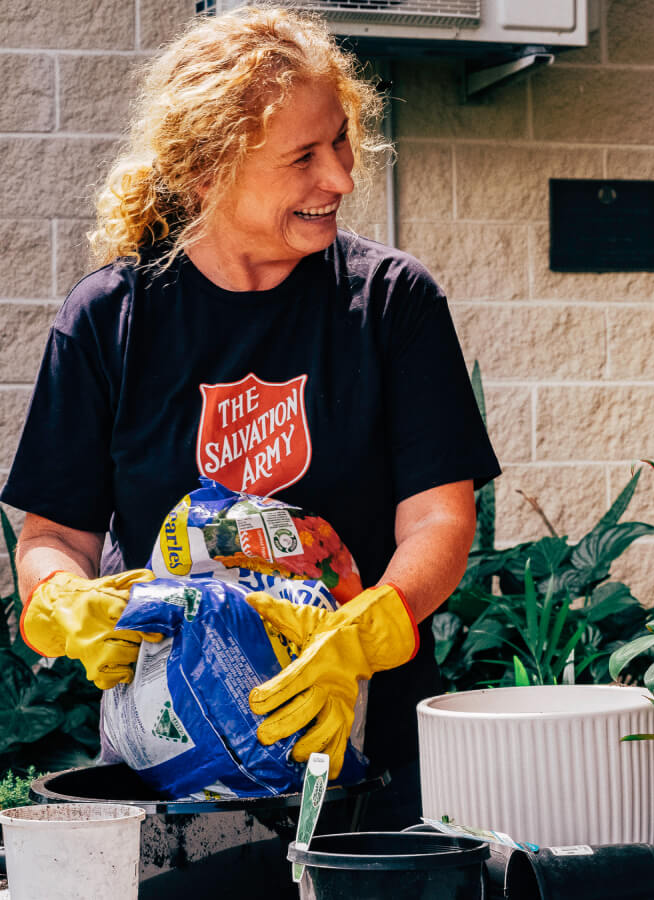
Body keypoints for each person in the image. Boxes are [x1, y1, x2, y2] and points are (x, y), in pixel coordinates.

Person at [4, 7, 499, 828]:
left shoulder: (390, 304)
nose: (339, 178)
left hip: (368, 767)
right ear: (207, 170)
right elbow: (53, 536)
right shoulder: (109, 320)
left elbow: (441, 518)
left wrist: (368, 630)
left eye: (340, 141)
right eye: (303, 157)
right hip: (169, 767)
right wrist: (63, 603)